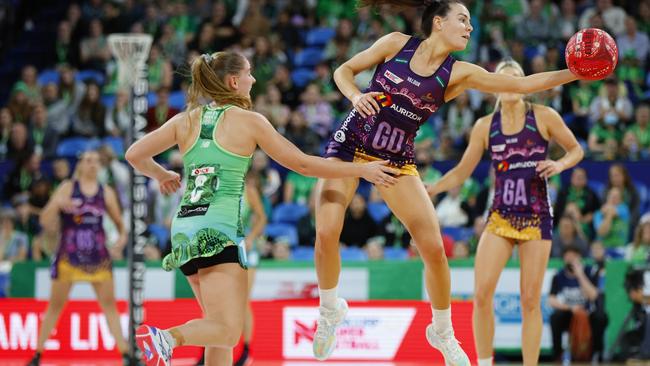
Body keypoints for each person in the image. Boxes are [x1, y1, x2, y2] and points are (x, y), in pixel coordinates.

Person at [313, 0, 582, 364]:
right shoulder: (396, 43)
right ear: (438, 23)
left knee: (435, 250)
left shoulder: (459, 73)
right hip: (350, 145)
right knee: (327, 231)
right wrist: (355, 95)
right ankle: (330, 310)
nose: (470, 28)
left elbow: (524, 82)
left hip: (395, 160)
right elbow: (344, 71)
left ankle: (441, 331)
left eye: (470, 22)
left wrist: (575, 71)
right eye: (463, 20)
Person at [124, 51, 399, 366]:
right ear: (234, 81)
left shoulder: (185, 120)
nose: (253, 79)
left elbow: (134, 154)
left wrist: (163, 175)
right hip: (218, 230)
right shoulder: (250, 121)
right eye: (249, 73)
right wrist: (361, 171)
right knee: (227, 332)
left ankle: (171, 339)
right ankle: (167, 338)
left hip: (184, 229)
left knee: (215, 328)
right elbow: (304, 165)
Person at [427, 59, 583, 365]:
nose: (510, 82)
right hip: (500, 215)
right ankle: (485, 362)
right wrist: (431, 188)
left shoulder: (543, 116)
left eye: (516, 77)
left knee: (529, 301)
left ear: (524, 85)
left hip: (536, 215)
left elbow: (576, 149)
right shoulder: (485, 126)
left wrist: (560, 164)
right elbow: (461, 172)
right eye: (503, 78)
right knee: (482, 295)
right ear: (494, 87)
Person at [27, 150, 129, 366]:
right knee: (55, 305)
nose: (93, 164)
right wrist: (57, 204)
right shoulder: (67, 187)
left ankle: (126, 355)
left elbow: (121, 225)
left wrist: (120, 241)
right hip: (69, 255)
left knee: (109, 305)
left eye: (97, 161)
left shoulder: (106, 192)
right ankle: (37, 355)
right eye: (89, 160)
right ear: (80, 164)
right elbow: (44, 220)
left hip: (98, 256)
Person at [548, 245, 608, 362]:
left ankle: (596, 354)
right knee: (555, 317)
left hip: (588, 312)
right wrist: (571, 307)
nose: (571, 259)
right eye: (568, 256)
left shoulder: (591, 271)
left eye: (574, 256)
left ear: (580, 257)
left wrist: (580, 275)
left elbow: (594, 296)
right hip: (570, 312)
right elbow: (551, 300)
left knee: (601, 317)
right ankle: (557, 355)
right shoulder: (558, 275)